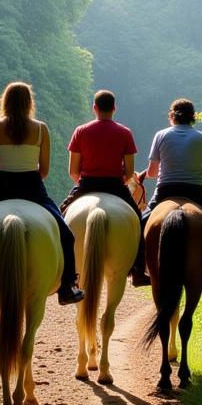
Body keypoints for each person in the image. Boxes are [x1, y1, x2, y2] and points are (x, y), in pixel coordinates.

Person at [0, 81, 84, 311]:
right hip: (32, 189)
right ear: (30, 103)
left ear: (5, 102)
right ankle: (67, 287)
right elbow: (44, 171)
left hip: (0, 189)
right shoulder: (41, 129)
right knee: (66, 234)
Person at [142, 97, 202, 287]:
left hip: (165, 190)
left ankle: (137, 269)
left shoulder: (160, 135)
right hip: (194, 191)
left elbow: (153, 173)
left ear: (172, 116)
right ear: (193, 117)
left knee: (141, 221)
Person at [59, 89, 150, 287]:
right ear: (114, 109)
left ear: (95, 108)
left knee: (58, 218)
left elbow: (73, 171)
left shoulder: (80, 131)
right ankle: (138, 271)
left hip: (86, 185)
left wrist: (84, 182)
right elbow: (129, 173)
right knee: (139, 220)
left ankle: (62, 272)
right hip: (116, 186)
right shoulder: (125, 133)